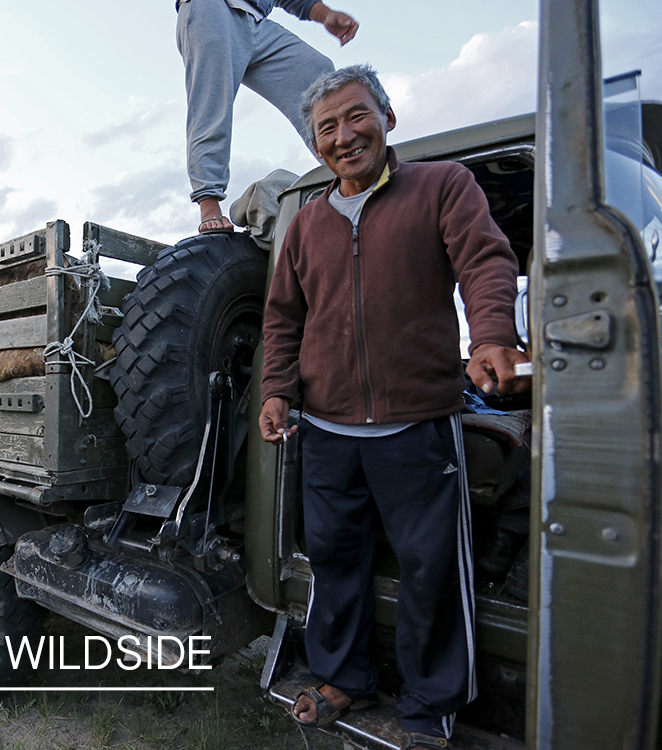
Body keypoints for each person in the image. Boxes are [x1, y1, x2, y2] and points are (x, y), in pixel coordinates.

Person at [257, 65, 529, 750]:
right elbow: (282, 318)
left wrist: (493, 332)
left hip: (418, 426)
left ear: (386, 117)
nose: (344, 136)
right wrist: (275, 389)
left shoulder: (440, 187)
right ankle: (343, 676)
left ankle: (427, 709)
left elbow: (485, 261)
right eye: (327, 128)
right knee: (334, 560)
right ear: (314, 143)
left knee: (432, 569)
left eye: (357, 117)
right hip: (325, 430)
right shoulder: (308, 224)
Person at [176, 0, 359, 235]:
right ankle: (208, 201)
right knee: (213, 99)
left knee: (317, 71)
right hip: (211, 8)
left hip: (257, 22)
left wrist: (325, 14)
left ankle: (350, 170)